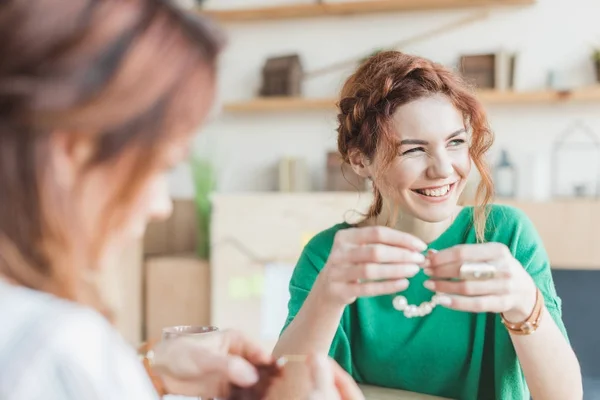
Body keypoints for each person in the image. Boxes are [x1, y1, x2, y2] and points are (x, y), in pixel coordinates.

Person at [0, 1, 364, 399]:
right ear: (73, 152)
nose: (162, 206)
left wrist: (151, 369)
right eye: (160, 168)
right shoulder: (56, 345)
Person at [273, 51, 583, 400]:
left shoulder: (505, 235)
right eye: (414, 150)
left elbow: (565, 395)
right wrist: (326, 298)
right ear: (361, 160)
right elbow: (282, 393)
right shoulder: (330, 256)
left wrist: (525, 302)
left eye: (455, 143)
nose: (444, 169)